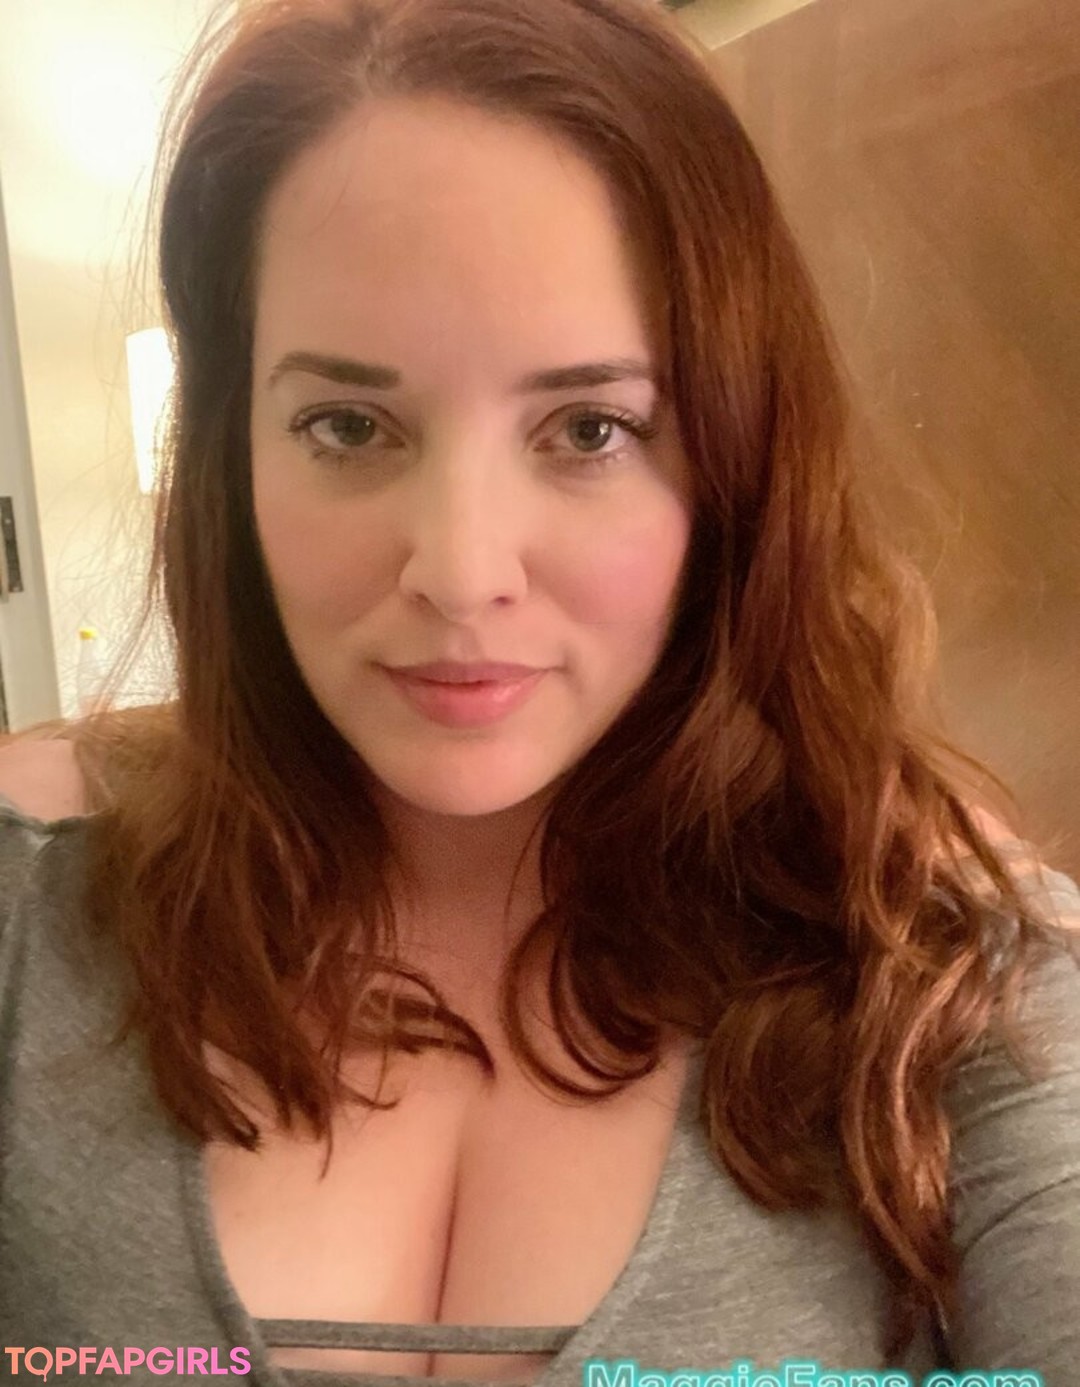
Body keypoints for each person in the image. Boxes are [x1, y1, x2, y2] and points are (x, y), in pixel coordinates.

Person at [1, 0, 1077, 1383]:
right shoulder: (30, 903)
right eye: (348, 425)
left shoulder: (954, 983)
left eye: (590, 429)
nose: (461, 572)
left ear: (736, 465)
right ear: (231, 456)